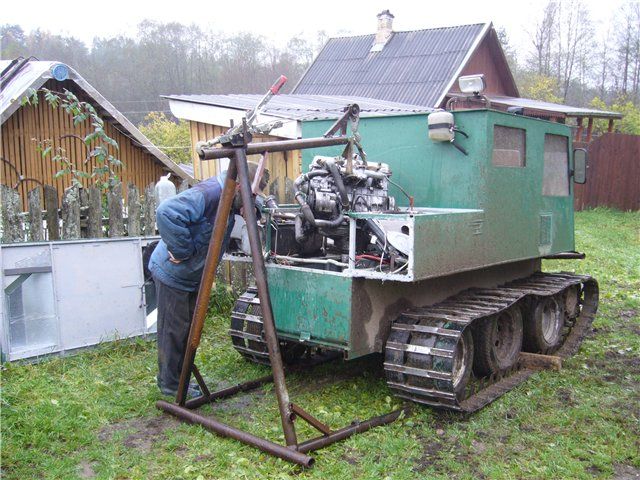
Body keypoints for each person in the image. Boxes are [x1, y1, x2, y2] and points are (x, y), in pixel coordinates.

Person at [148, 162, 268, 397]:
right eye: (250, 196)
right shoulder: (211, 193)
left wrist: (252, 208)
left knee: (186, 329)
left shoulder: (231, 197)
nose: (250, 201)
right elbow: (166, 212)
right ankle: (171, 385)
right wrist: (184, 252)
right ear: (240, 186)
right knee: (174, 330)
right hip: (174, 273)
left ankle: (179, 379)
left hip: (191, 277)